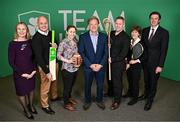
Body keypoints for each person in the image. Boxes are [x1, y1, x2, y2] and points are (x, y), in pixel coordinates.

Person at [8, 22, 37, 119]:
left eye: (23, 29)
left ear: (27, 30)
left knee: (31, 90)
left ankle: (31, 105)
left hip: (31, 71)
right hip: (19, 73)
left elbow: (34, 57)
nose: (21, 31)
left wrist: (33, 70)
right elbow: (11, 62)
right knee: (22, 92)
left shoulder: (30, 42)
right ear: (16, 31)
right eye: (19, 29)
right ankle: (26, 109)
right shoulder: (12, 44)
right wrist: (22, 73)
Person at [141, 11, 169, 111]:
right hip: (145, 62)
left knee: (153, 82)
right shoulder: (144, 30)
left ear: (159, 20)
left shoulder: (164, 33)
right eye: (152, 18)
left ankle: (150, 100)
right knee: (146, 80)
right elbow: (142, 47)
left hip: (156, 63)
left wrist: (160, 65)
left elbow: (164, 50)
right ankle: (145, 94)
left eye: (156, 18)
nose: (153, 20)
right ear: (149, 19)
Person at [32, 16, 60, 114]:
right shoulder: (36, 38)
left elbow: (56, 45)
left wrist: (56, 46)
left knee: (54, 81)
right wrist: (47, 71)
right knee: (45, 85)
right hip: (45, 66)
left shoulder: (51, 33)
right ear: (37, 25)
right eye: (41, 23)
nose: (44, 25)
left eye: (45, 23)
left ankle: (54, 97)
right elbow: (38, 57)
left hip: (54, 62)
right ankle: (45, 105)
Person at [78, 16, 107, 110]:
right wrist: (90, 64)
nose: (93, 26)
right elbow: (81, 52)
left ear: (98, 25)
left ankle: (99, 100)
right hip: (88, 66)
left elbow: (106, 52)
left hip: (100, 66)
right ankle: (87, 101)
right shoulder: (83, 37)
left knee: (100, 85)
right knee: (87, 85)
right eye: (91, 24)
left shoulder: (104, 36)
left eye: (95, 24)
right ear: (88, 26)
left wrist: (101, 64)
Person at [57, 25, 81, 111]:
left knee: (71, 85)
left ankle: (69, 97)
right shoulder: (63, 42)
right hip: (67, 68)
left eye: (74, 32)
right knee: (67, 87)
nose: (72, 33)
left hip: (75, 68)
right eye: (70, 31)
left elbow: (77, 52)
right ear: (67, 32)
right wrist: (68, 61)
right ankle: (66, 103)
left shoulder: (75, 41)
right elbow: (58, 56)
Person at [109, 16, 130, 110]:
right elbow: (109, 45)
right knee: (109, 78)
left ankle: (117, 100)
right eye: (116, 23)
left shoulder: (126, 37)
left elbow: (123, 53)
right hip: (109, 61)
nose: (117, 25)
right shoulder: (111, 33)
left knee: (117, 81)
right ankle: (111, 92)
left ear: (123, 24)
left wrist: (113, 60)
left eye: (120, 24)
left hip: (118, 63)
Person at [126, 26, 145, 105]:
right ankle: (129, 93)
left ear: (139, 34)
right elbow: (128, 53)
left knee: (135, 82)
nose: (133, 33)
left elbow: (145, 56)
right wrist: (127, 62)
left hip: (136, 66)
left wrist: (136, 61)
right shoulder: (130, 41)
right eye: (132, 32)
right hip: (129, 65)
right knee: (129, 79)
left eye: (136, 32)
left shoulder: (141, 43)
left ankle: (135, 98)